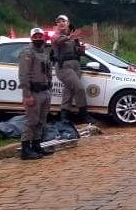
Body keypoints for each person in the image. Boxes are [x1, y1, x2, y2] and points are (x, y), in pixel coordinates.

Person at [17, 28, 53, 160]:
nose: (38, 39)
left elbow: (48, 71)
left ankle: (36, 145)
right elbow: (23, 75)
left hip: (44, 91)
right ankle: (25, 149)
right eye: (35, 36)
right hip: (33, 92)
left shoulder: (44, 51)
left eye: (40, 36)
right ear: (31, 38)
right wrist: (27, 95)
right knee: (31, 121)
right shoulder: (27, 52)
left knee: (41, 120)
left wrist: (49, 86)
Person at [51, 15, 94, 123]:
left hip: (75, 66)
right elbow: (58, 42)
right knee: (79, 88)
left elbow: (79, 52)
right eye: (58, 21)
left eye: (63, 21)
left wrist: (82, 48)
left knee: (69, 91)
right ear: (56, 24)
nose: (61, 23)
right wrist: (70, 37)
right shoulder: (56, 35)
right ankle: (83, 115)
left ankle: (64, 115)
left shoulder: (73, 38)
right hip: (63, 67)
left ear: (68, 23)